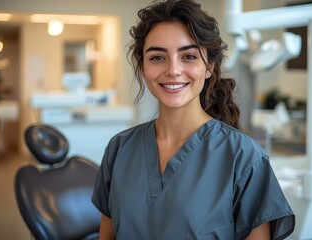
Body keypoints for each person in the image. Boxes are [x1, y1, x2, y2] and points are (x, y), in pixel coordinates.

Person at [91, 0, 295, 239]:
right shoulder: (119, 149)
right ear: (142, 65)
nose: (173, 70)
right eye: (157, 57)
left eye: (188, 56)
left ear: (209, 66)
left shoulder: (244, 157)